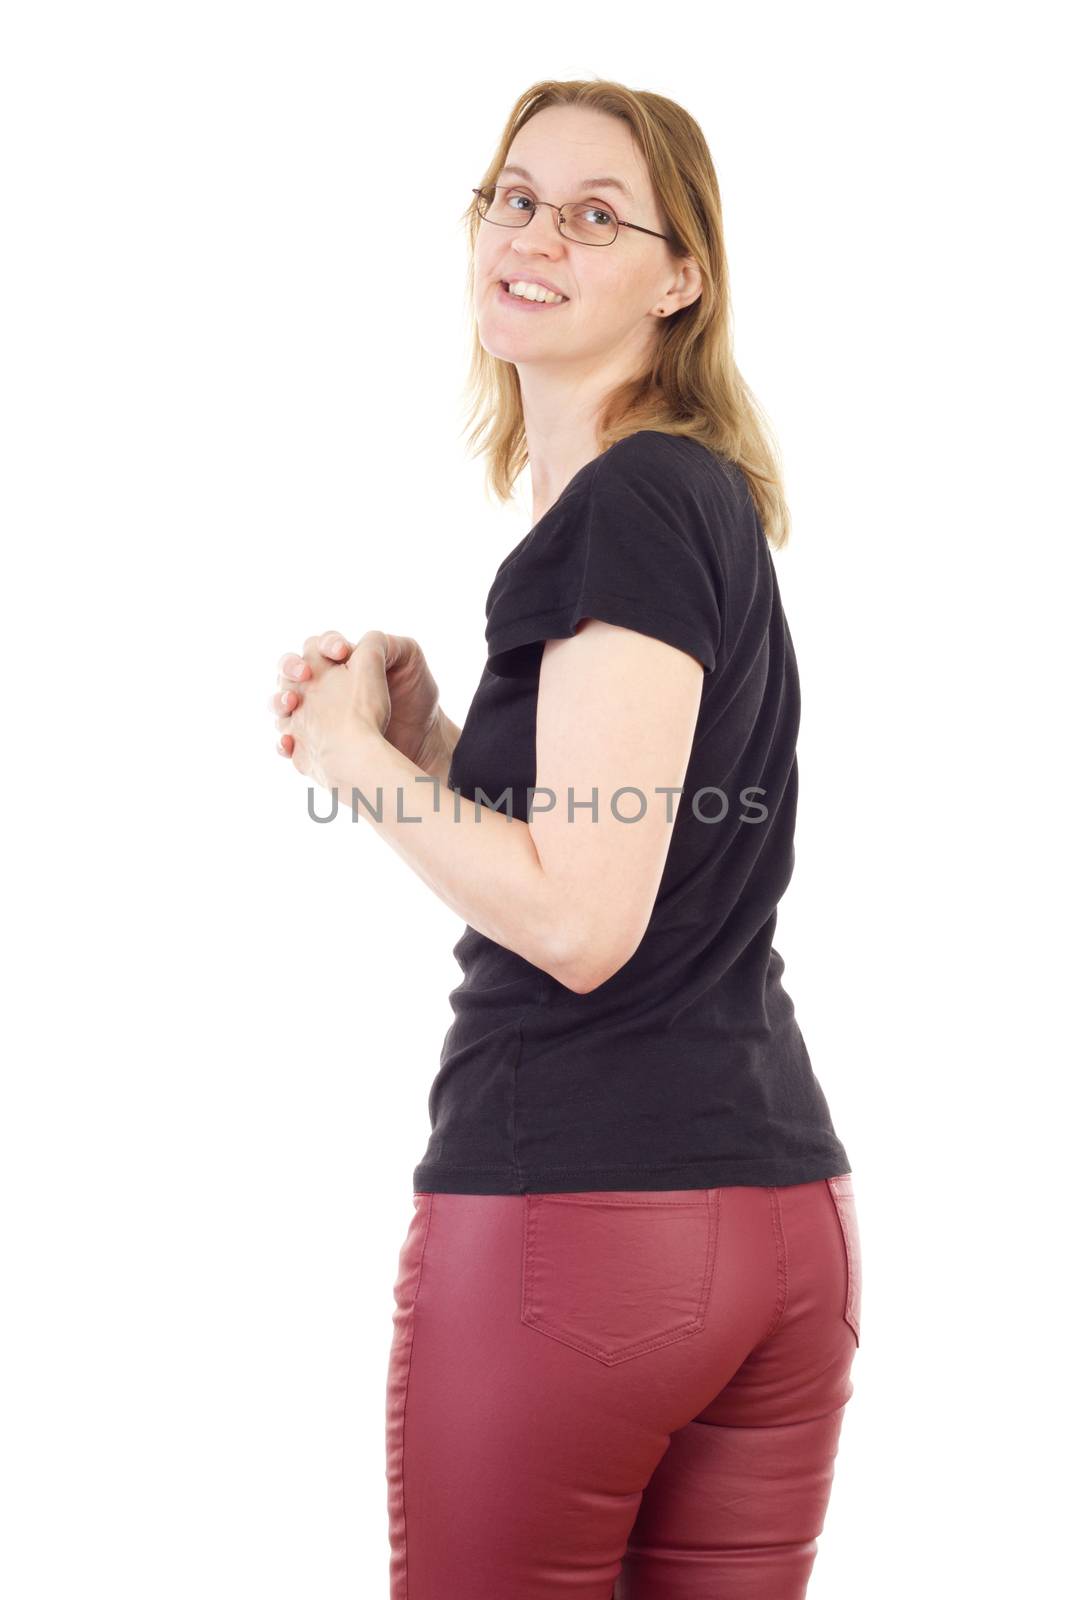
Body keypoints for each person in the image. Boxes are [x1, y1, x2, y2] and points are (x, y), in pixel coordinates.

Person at [270, 78, 862, 1600]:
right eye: (514, 198)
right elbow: (628, 843)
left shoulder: (628, 509)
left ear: (682, 278)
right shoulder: (689, 499)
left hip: (584, 1226)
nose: (535, 236)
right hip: (781, 1224)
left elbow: (583, 923)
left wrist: (349, 763)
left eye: (597, 216)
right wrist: (437, 753)